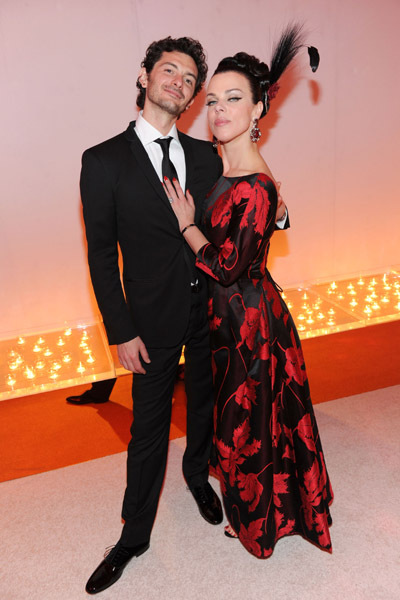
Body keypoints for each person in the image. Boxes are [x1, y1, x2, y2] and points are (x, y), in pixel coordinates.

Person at [164, 25, 333, 558]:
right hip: (234, 317)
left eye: (233, 99)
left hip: (251, 321)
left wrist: (189, 226)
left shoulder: (254, 180)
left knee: (250, 423)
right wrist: (277, 215)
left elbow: (230, 265)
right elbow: (263, 215)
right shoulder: (235, 168)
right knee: (248, 420)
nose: (218, 109)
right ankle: (249, 507)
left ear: (259, 109)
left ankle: (261, 519)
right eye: (212, 101)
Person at [80, 37, 224, 594]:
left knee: (206, 406)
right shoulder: (102, 160)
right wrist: (120, 330)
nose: (180, 83)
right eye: (170, 70)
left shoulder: (208, 155)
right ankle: (133, 535)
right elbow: (99, 253)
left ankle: (197, 476)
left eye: (190, 79)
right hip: (147, 321)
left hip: (208, 311)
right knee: (148, 430)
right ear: (144, 76)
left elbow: (231, 221)